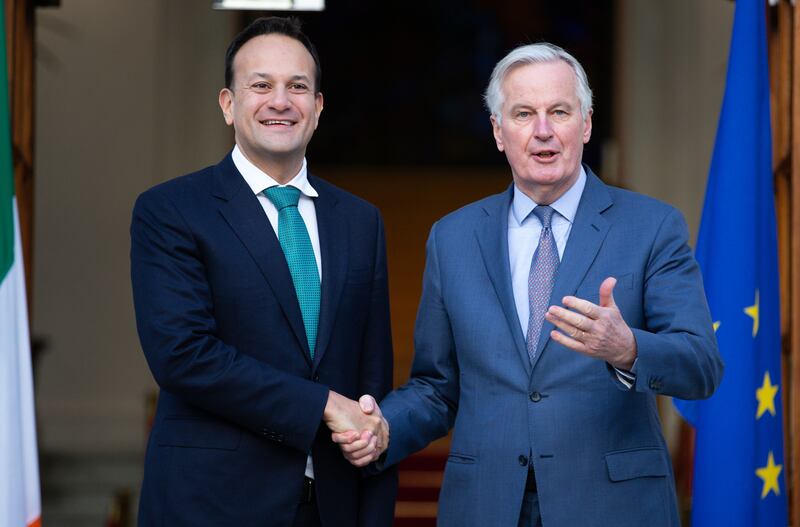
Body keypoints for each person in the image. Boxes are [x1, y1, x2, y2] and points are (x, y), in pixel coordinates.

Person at [334, 43, 723, 526]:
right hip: (486, 505)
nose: (543, 131)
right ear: (499, 132)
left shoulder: (651, 226)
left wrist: (627, 349)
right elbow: (438, 387)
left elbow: (701, 365)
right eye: (523, 114)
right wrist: (384, 427)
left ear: (585, 123)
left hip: (612, 506)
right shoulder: (453, 237)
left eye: (559, 111)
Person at [130, 16, 395, 527]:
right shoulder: (172, 210)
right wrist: (321, 404)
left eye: (298, 86)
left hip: (332, 508)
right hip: (210, 505)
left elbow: (372, 380)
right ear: (228, 105)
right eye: (261, 85)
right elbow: (183, 355)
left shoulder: (360, 221)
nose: (280, 101)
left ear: (317, 108)